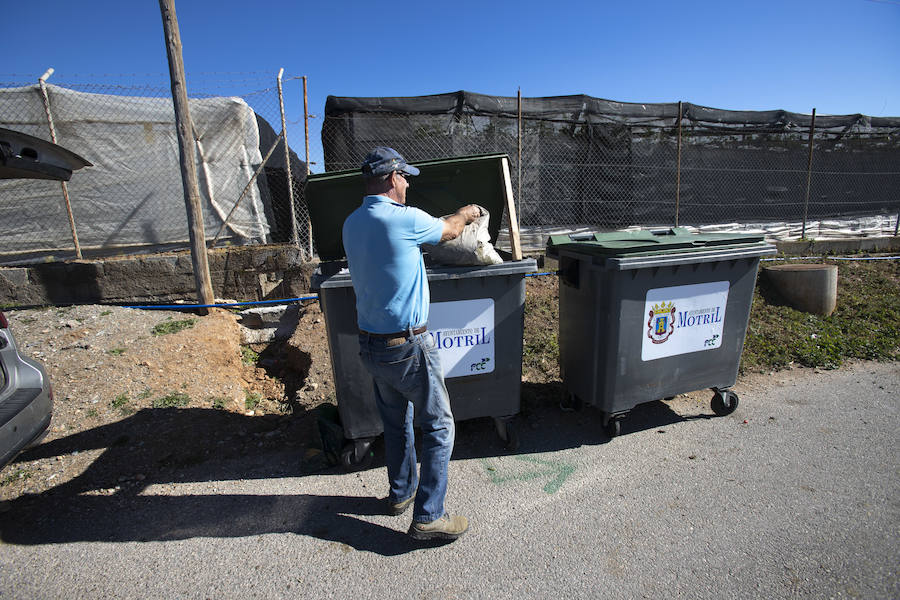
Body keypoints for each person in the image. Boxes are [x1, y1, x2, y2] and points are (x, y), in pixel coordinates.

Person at [342, 147, 481, 541]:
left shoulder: (352, 222)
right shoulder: (401, 219)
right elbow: (450, 230)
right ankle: (429, 516)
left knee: (397, 422)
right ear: (391, 177)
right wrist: (467, 212)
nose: (407, 184)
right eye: (405, 177)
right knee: (438, 424)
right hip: (407, 346)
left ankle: (401, 493)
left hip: (372, 345)